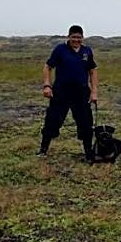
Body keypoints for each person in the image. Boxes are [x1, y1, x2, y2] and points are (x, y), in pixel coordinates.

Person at [38, 25, 98, 160]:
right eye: (73, 37)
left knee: (85, 122)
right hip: (61, 92)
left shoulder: (87, 51)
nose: (76, 40)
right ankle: (43, 149)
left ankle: (89, 153)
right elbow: (48, 67)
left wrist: (94, 92)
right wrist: (47, 85)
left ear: (83, 38)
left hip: (81, 93)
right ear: (68, 37)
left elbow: (93, 71)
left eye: (79, 37)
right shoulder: (60, 49)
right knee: (52, 120)